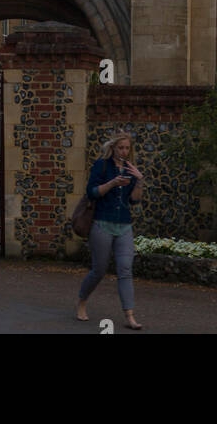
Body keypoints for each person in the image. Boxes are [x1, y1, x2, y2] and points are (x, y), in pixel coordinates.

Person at [76, 132, 144, 328]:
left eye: (127, 148)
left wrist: (139, 180)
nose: (124, 151)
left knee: (125, 269)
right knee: (99, 270)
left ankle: (129, 316)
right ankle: (81, 301)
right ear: (113, 148)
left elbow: (134, 200)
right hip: (102, 223)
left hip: (124, 225)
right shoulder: (102, 165)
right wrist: (113, 183)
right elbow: (92, 192)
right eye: (121, 147)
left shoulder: (131, 169)